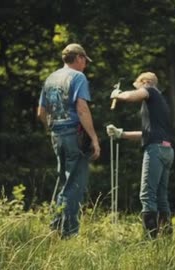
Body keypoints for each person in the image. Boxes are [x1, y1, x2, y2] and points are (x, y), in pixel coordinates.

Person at [37, 43, 100, 238]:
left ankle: (55, 228)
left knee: (63, 181)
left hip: (57, 134)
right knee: (75, 184)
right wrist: (94, 139)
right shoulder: (78, 77)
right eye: (85, 61)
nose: (85, 65)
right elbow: (81, 108)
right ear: (79, 58)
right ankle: (69, 234)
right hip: (74, 134)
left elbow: (41, 112)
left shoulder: (50, 78)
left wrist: (52, 130)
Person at [106, 72, 174, 239]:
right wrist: (121, 134)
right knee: (161, 197)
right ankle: (165, 239)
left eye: (138, 85)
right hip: (167, 150)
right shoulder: (160, 102)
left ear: (146, 82)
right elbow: (147, 133)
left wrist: (118, 95)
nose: (138, 89)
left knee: (147, 195)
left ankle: (149, 240)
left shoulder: (150, 90)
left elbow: (131, 97)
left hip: (156, 151)